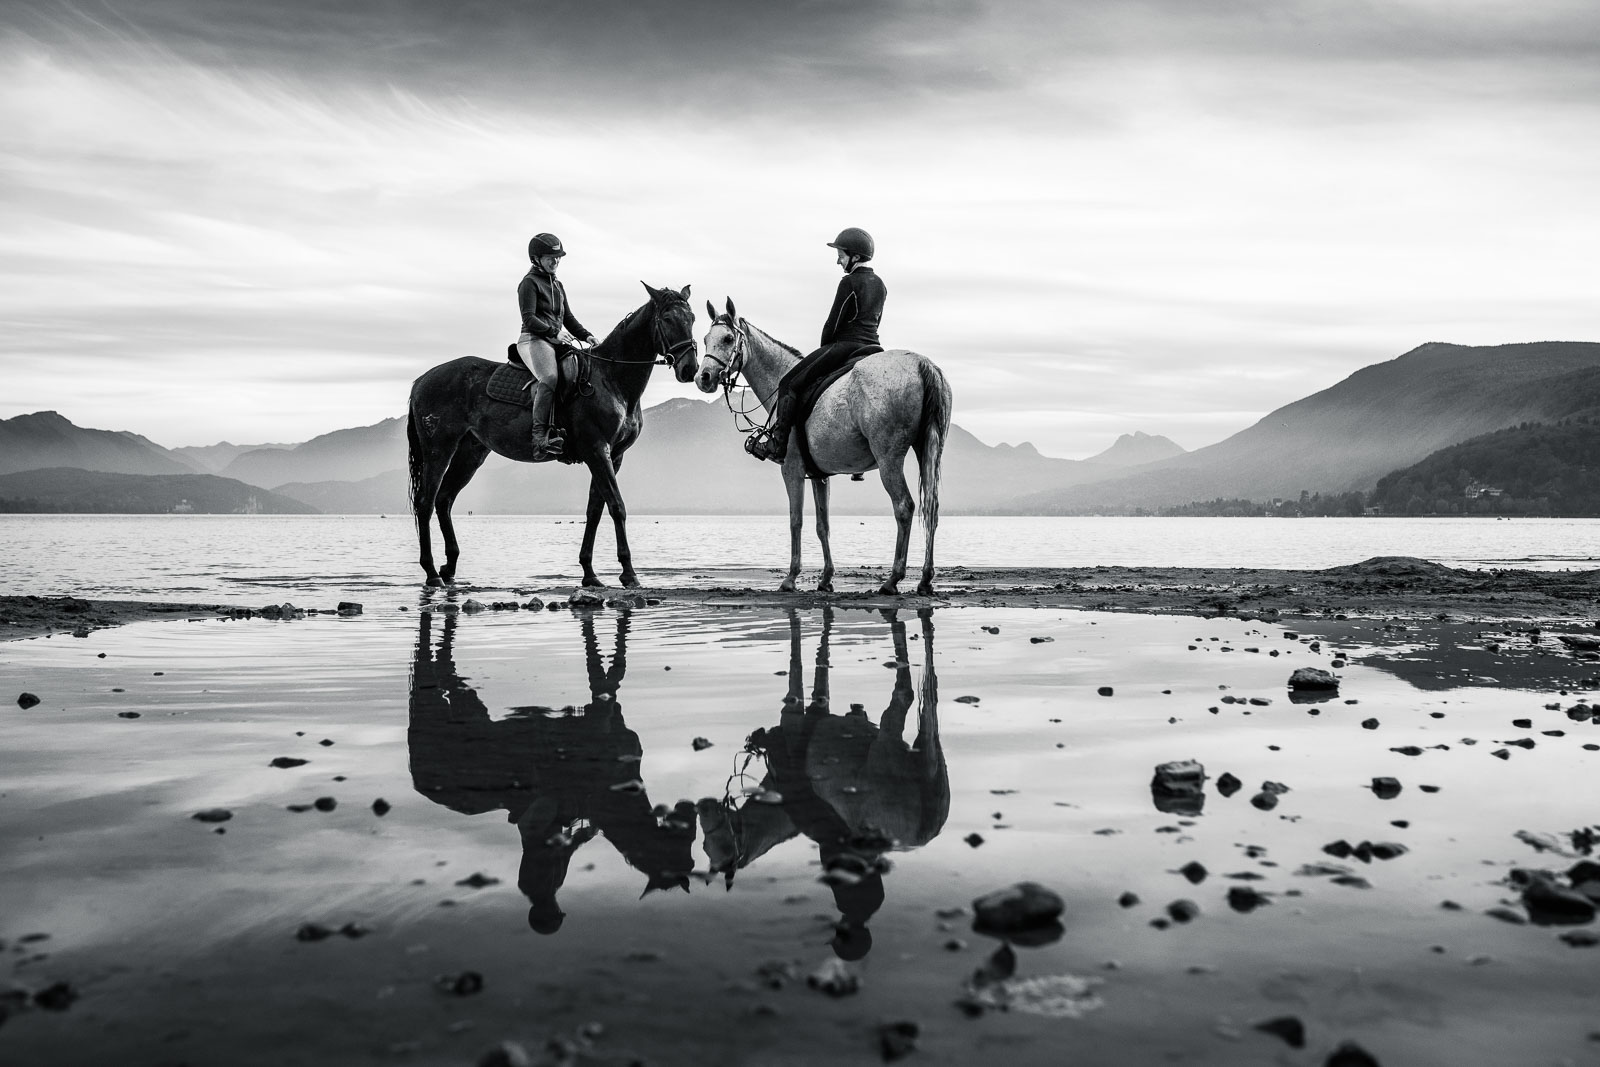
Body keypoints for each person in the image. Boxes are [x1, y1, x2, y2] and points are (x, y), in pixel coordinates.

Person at [747, 227, 887, 463]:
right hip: (873, 348)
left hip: (846, 346)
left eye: (841, 254)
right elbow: (877, 322)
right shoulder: (881, 285)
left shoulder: (849, 283)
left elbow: (832, 324)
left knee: (788, 383)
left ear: (854, 256)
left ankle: (777, 445)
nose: (838, 260)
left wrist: (825, 350)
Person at [518, 233, 599, 460]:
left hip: (556, 339)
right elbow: (529, 318)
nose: (555, 262)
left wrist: (588, 335)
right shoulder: (528, 284)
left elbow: (569, 319)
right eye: (550, 258)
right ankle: (539, 438)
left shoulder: (558, 285)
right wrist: (554, 332)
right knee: (551, 378)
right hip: (533, 339)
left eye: (558, 258)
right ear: (536, 259)